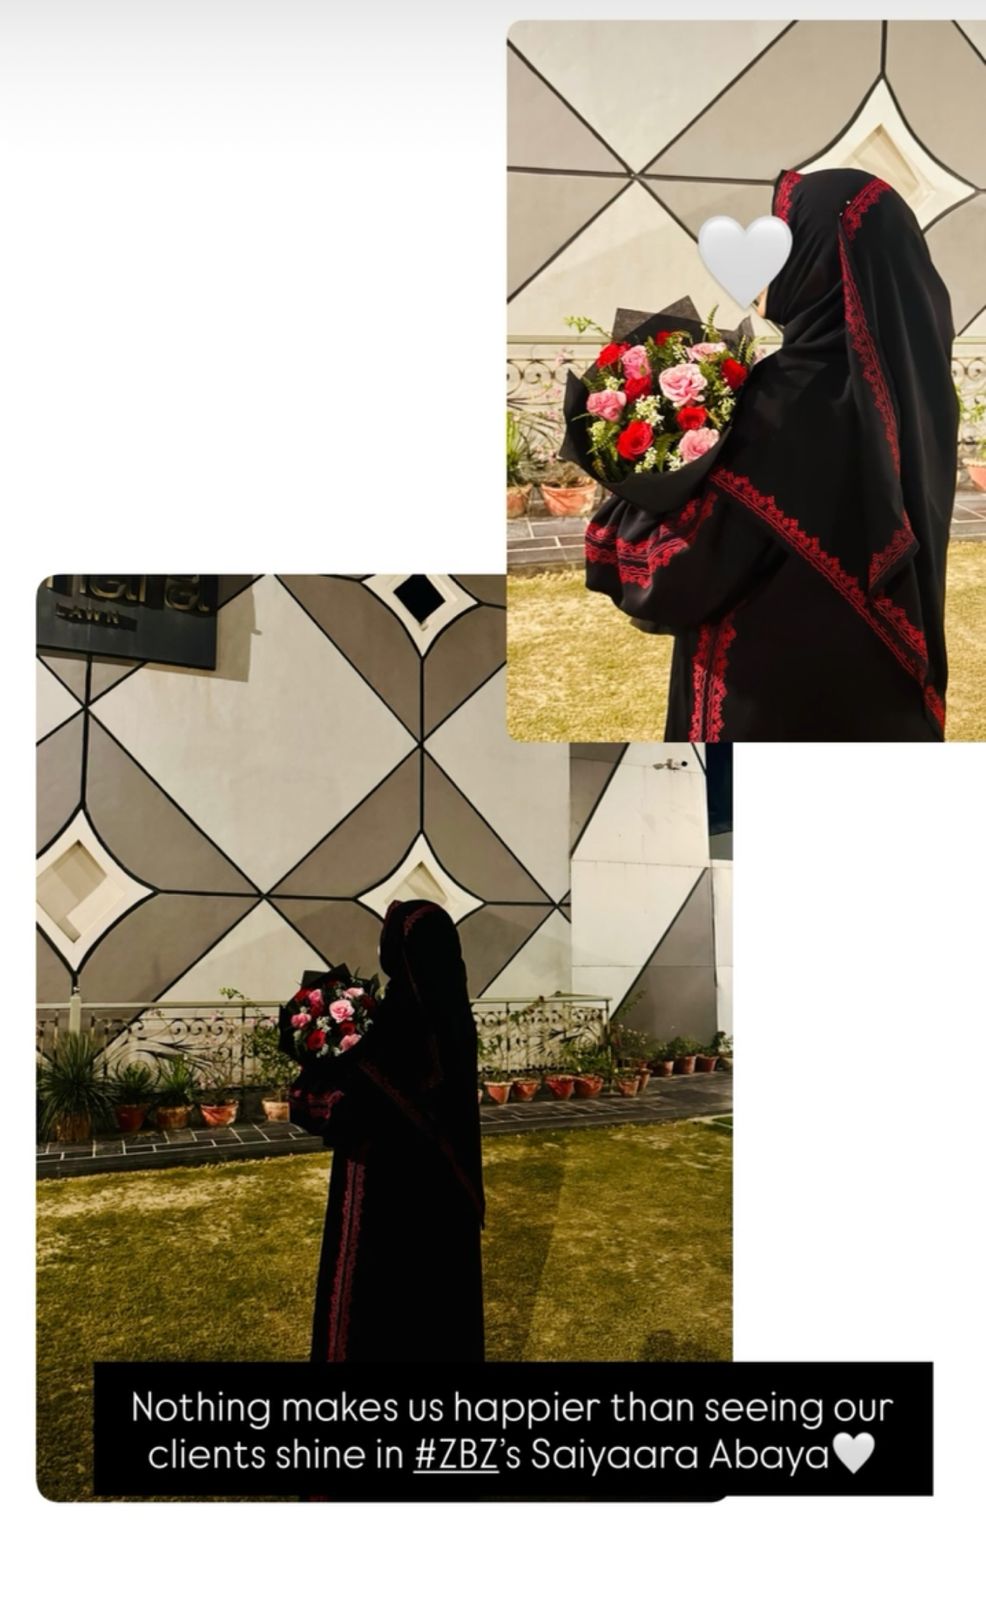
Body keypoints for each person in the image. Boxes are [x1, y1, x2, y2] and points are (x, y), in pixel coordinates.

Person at [585, 167, 958, 741]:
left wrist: (623, 515)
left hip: (770, 696)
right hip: (876, 691)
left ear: (818, 261)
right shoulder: (917, 392)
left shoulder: (787, 400)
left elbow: (679, 574)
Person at [280, 899, 485, 1364]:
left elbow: (351, 1108)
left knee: (378, 1304)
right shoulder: (453, 1015)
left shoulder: (393, 1021)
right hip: (443, 1194)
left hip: (385, 1187)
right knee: (435, 1305)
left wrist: (313, 1087)